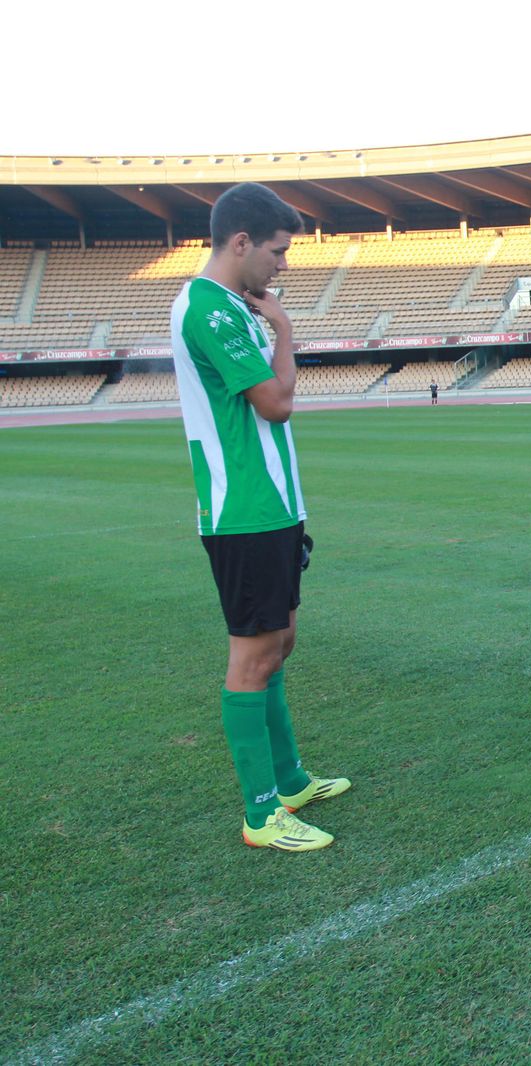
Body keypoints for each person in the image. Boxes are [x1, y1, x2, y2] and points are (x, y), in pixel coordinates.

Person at [170, 183, 348, 852]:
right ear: (240, 242)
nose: (283, 265)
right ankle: (261, 813)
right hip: (242, 509)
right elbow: (275, 402)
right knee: (253, 655)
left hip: (272, 506)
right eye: (278, 251)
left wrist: (273, 326)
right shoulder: (210, 310)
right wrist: (287, 331)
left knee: (281, 643)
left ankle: (289, 777)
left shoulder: (230, 307)